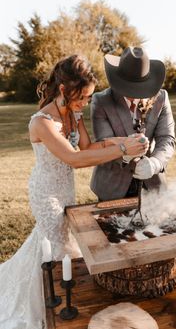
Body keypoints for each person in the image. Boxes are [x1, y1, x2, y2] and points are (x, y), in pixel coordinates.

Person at [0, 54, 148, 329]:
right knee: (58, 246)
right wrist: (124, 150)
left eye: (89, 98)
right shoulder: (41, 123)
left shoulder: (74, 113)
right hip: (46, 194)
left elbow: (89, 148)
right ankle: (51, 306)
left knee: (51, 243)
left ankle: (56, 294)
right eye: (82, 97)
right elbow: (74, 159)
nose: (85, 104)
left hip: (65, 190)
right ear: (64, 90)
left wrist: (124, 141)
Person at [90, 46, 176, 201]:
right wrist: (125, 156)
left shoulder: (161, 98)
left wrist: (155, 163)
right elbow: (103, 142)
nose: (132, 94)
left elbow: (166, 138)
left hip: (152, 185)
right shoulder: (101, 100)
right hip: (112, 186)